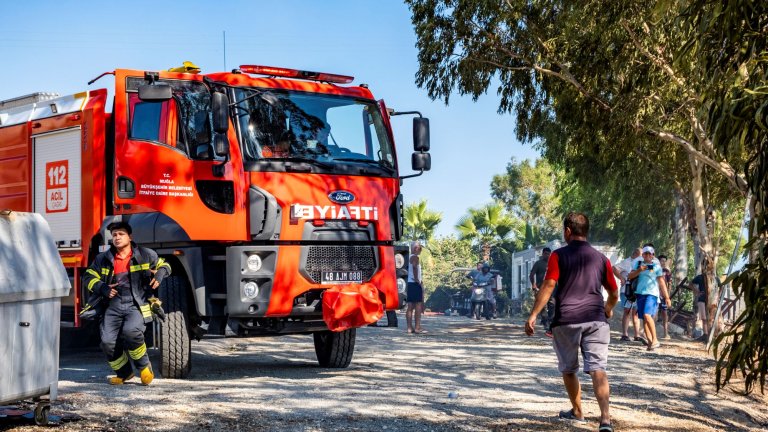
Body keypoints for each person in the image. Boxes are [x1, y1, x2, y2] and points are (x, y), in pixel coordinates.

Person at [525, 212, 618, 432]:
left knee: (569, 369)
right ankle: (605, 420)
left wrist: (534, 314)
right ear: (586, 231)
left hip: (567, 320)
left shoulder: (558, 255)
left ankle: (577, 412)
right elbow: (614, 292)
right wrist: (607, 309)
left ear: (568, 231)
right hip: (596, 320)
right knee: (598, 368)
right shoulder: (601, 258)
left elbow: (549, 285)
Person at [82, 221, 171, 385]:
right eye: (114, 235)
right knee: (107, 342)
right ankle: (125, 373)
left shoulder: (145, 254)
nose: (117, 237)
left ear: (130, 237)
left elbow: (165, 265)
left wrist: (159, 274)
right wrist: (102, 288)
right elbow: (88, 276)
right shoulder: (103, 258)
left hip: (136, 303)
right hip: (112, 305)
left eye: (121, 234)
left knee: (132, 332)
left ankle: (144, 367)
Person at [627, 246, 671, 351]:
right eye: (645, 253)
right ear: (642, 255)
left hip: (652, 294)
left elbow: (662, 282)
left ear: (653, 255)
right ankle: (650, 343)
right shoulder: (638, 264)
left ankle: (655, 340)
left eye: (649, 254)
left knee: (647, 315)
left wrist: (667, 297)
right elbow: (630, 276)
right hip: (640, 294)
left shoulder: (656, 267)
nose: (647, 255)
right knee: (644, 319)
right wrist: (639, 270)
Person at [612, 247, 644, 342]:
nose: (642, 257)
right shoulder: (626, 262)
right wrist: (621, 278)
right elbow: (614, 268)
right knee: (627, 311)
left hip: (638, 290)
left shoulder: (642, 263)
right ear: (635, 254)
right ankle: (625, 334)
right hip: (627, 290)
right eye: (641, 255)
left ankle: (637, 335)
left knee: (635, 312)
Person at [529, 247, 554, 334]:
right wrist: (533, 284)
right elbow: (531, 275)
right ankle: (545, 323)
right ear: (543, 254)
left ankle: (550, 322)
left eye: (548, 254)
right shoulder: (538, 263)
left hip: (551, 288)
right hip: (540, 288)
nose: (547, 255)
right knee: (542, 306)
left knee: (552, 305)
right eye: (545, 254)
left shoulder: (553, 264)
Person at [405, 241, 426, 334]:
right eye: (420, 248)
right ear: (415, 248)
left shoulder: (409, 257)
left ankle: (409, 328)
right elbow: (414, 267)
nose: (420, 250)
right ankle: (417, 327)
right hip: (414, 283)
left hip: (409, 283)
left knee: (410, 306)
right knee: (418, 305)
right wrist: (417, 280)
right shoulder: (415, 257)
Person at [690, 258, 711, 339]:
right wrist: (697, 292)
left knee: (710, 317)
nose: (706, 267)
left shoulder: (714, 277)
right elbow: (691, 284)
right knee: (704, 318)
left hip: (711, 299)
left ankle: (711, 334)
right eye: (704, 265)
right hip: (702, 299)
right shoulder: (700, 277)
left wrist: (718, 295)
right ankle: (705, 335)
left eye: (707, 265)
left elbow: (720, 286)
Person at [658, 254, 673, 339]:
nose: (663, 262)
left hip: (664, 295)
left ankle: (665, 333)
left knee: (665, 313)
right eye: (662, 261)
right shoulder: (654, 269)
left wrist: (668, 295)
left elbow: (669, 283)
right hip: (655, 294)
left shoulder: (667, 271)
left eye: (664, 261)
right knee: (653, 313)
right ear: (658, 261)